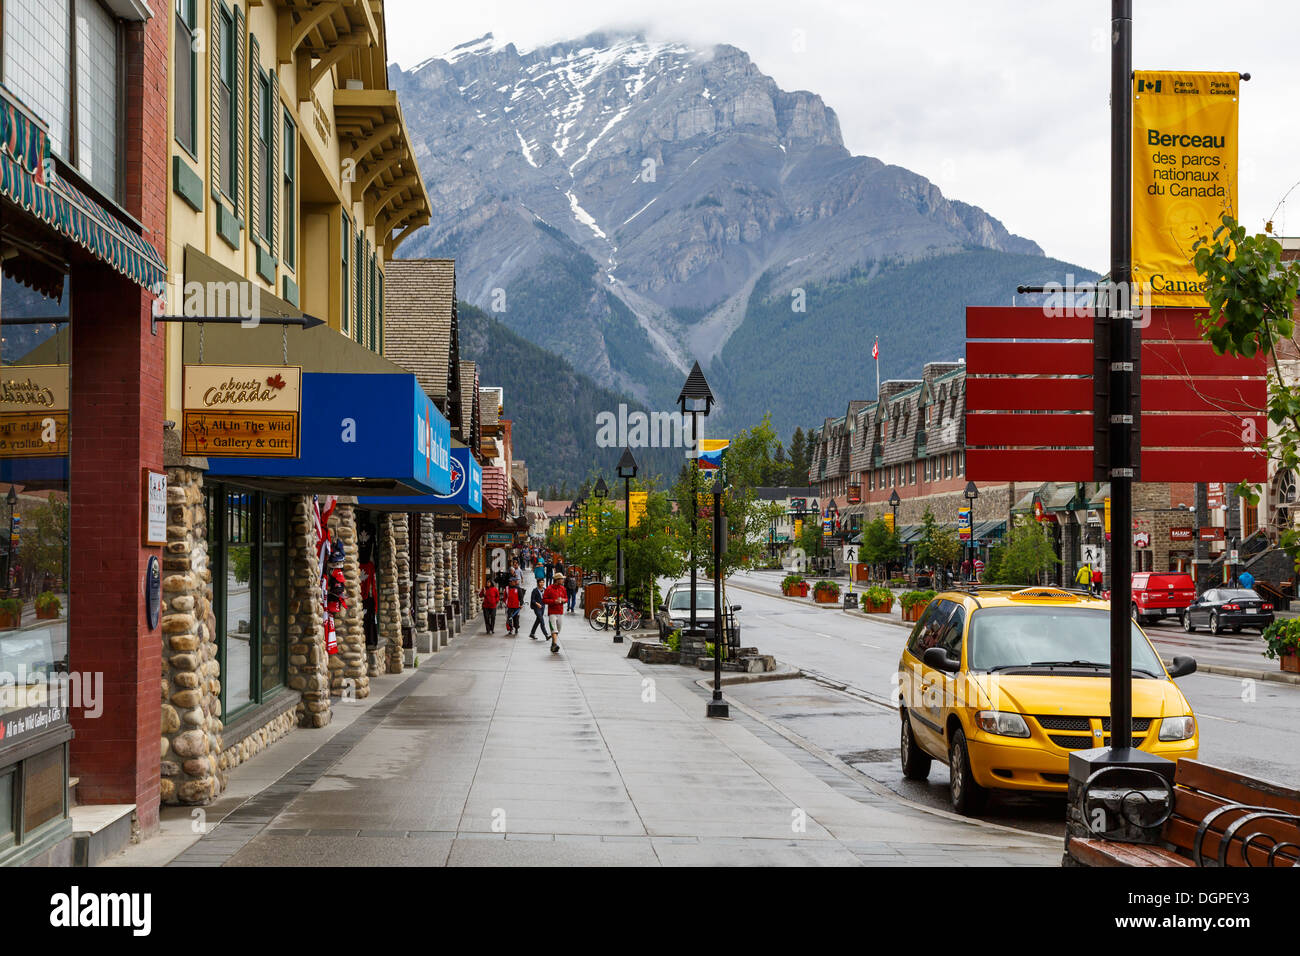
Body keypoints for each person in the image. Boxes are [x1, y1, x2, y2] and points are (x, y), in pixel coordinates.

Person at [544, 574, 568, 652]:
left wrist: (564, 600)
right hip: (552, 612)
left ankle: (553, 644)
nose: (563, 580)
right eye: (561, 579)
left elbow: (566, 598)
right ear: (557, 580)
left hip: (560, 612)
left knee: (558, 629)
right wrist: (554, 601)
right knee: (554, 629)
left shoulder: (563, 588)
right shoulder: (549, 589)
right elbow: (544, 600)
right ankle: (555, 645)